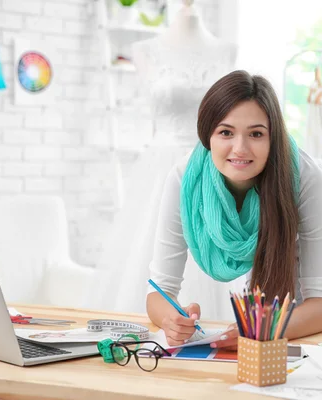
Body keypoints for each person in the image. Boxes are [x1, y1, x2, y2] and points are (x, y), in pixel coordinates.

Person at [147, 70, 322, 348]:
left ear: (273, 138)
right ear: (206, 135)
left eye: (256, 134)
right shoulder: (185, 180)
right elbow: (159, 291)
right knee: (261, 338)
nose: (240, 148)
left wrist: (258, 331)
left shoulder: (307, 178)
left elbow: (320, 309)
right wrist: (172, 320)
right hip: (270, 228)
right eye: (225, 132)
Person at [85, 0, 237, 314]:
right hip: (161, 167)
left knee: (212, 252)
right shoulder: (146, 51)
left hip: (210, 168)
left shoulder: (227, 51)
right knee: (148, 251)